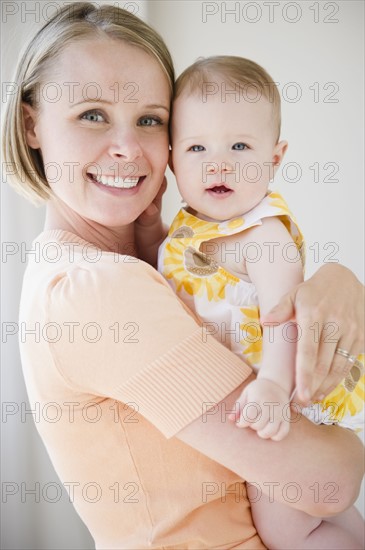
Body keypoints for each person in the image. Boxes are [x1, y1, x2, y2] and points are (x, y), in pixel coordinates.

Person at [2, 3, 364, 549]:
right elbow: (329, 480)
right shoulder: (97, 292)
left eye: (150, 119)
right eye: (92, 114)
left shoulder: (139, 265)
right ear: (31, 124)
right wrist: (347, 444)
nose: (127, 147)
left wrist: (336, 279)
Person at [158, 55, 364, 548]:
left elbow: (284, 315)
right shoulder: (189, 231)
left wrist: (272, 385)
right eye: (197, 147)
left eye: (240, 146)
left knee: (286, 526)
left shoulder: (263, 233)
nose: (219, 162)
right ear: (171, 159)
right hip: (250, 400)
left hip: (282, 399)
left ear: (274, 158)